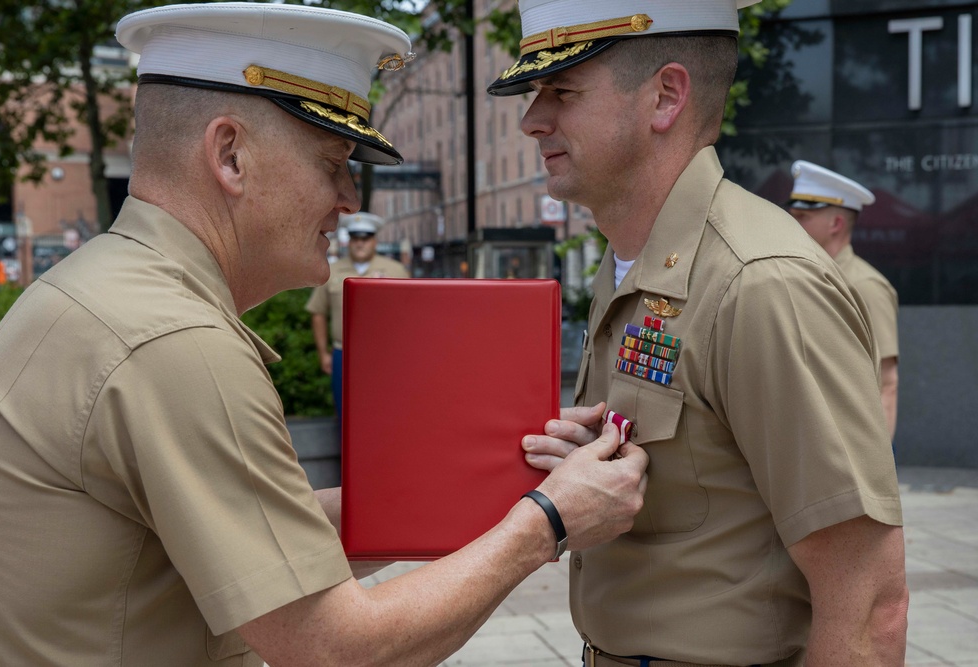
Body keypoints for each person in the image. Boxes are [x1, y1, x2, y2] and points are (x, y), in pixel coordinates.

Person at [0, 4, 650, 666]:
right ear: (229, 155)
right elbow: (334, 648)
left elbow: (269, 545)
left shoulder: (108, 289)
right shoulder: (174, 341)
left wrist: (496, 487)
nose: (351, 200)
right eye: (333, 161)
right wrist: (548, 521)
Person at [491, 1, 909, 665]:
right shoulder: (632, 256)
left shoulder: (761, 282)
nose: (531, 119)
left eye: (562, 91)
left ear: (666, 97)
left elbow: (868, 605)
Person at [787, 160, 900, 439]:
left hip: (851, 443)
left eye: (803, 216)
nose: (792, 222)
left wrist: (875, 470)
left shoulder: (866, 286)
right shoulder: (803, 274)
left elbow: (887, 383)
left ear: (836, 223)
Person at [307, 212, 409, 426]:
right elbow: (317, 311)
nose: (360, 244)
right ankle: (347, 460)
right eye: (355, 239)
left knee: (388, 413)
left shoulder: (396, 270)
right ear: (349, 242)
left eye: (365, 239)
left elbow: (412, 316)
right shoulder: (331, 271)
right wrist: (323, 353)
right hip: (343, 353)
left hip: (387, 355)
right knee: (346, 417)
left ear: (375, 241)